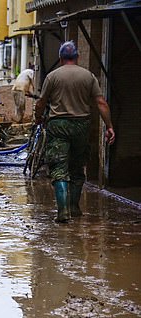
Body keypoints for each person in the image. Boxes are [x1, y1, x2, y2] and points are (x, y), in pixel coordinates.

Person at [35, 41, 115, 223]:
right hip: (82, 125)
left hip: (58, 125)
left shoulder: (52, 76)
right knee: (77, 168)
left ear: (61, 58)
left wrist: (38, 117)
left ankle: (63, 212)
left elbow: (41, 102)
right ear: (77, 57)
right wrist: (109, 126)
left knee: (59, 167)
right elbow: (101, 103)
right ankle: (74, 207)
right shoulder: (88, 76)